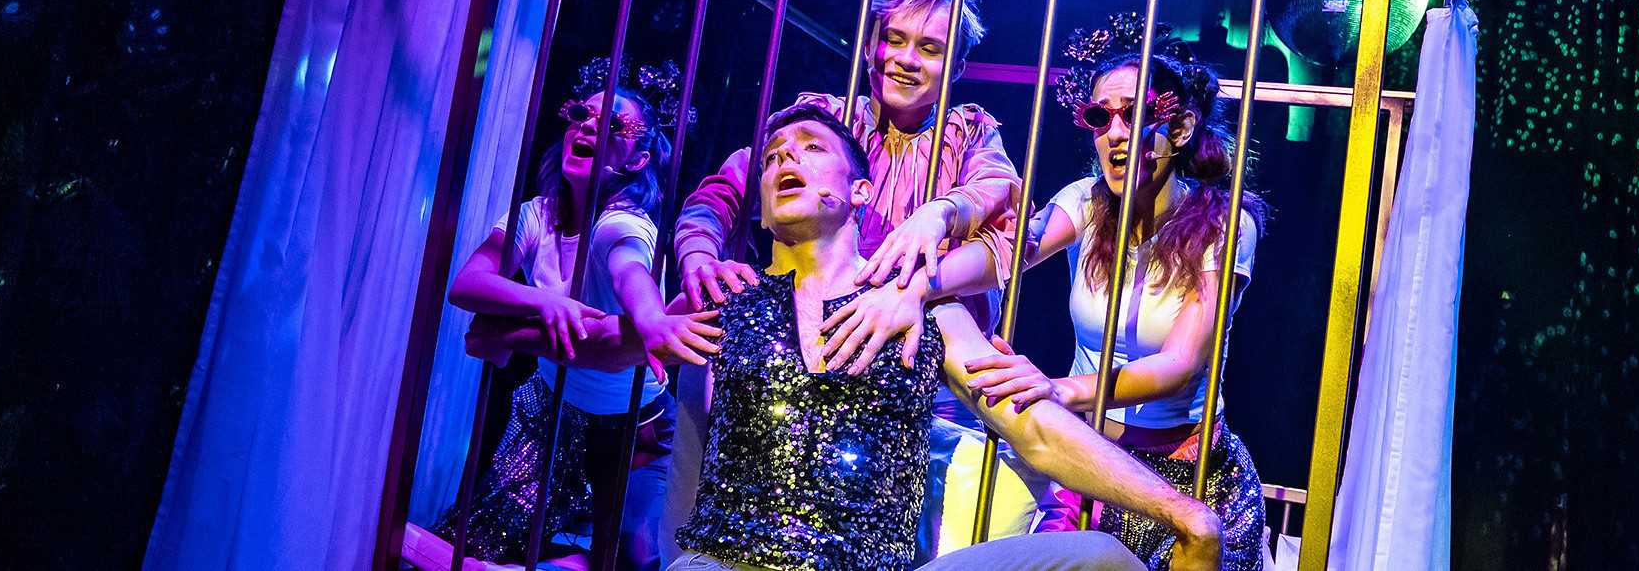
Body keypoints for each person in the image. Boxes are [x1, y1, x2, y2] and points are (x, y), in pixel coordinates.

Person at [469, 106, 1227, 571]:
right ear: (760, 210)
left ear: (860, 191)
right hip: (730, 562)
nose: (784, 160)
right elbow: (600, 341)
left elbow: (1036, 431)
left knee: (1100, 559)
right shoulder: (727, 300)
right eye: (773, 158)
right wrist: (520, 328)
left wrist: (1179, 510)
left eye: (807, 148)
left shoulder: (922, 308)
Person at [946, 15, 1272, 571]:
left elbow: (1178, 366)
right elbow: (1007, 253)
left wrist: (1057, 390)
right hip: (1089, 463)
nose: (1116, 133)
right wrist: (918, 277)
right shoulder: (1084, 201)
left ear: (1182, 127)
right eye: (1101, 117)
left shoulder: (1225, 223)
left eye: (1136, 114)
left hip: (1186, 476)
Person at [675, 0, 1020, 374]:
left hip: (932, 364)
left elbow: (1005, 217)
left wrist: (940, 212)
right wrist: (699, 256)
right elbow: (723, 193)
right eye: (893, 39)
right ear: (867, 47)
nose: (907, 59)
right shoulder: (821, 124)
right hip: (803, 349)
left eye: (929, 48)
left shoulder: (967, 134)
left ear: (957, 68)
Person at [433, 58, 692, 570]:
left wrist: (652, 321)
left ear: (637, 159)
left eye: (611, 123)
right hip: (551, 414)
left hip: (637, 430)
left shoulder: (622, 222)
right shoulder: (534, 215)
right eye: (580, 114)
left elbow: (630, 271)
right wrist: (547, 301)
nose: (587, 125)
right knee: (484, 540)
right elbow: (467, 284)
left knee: (636, 557)